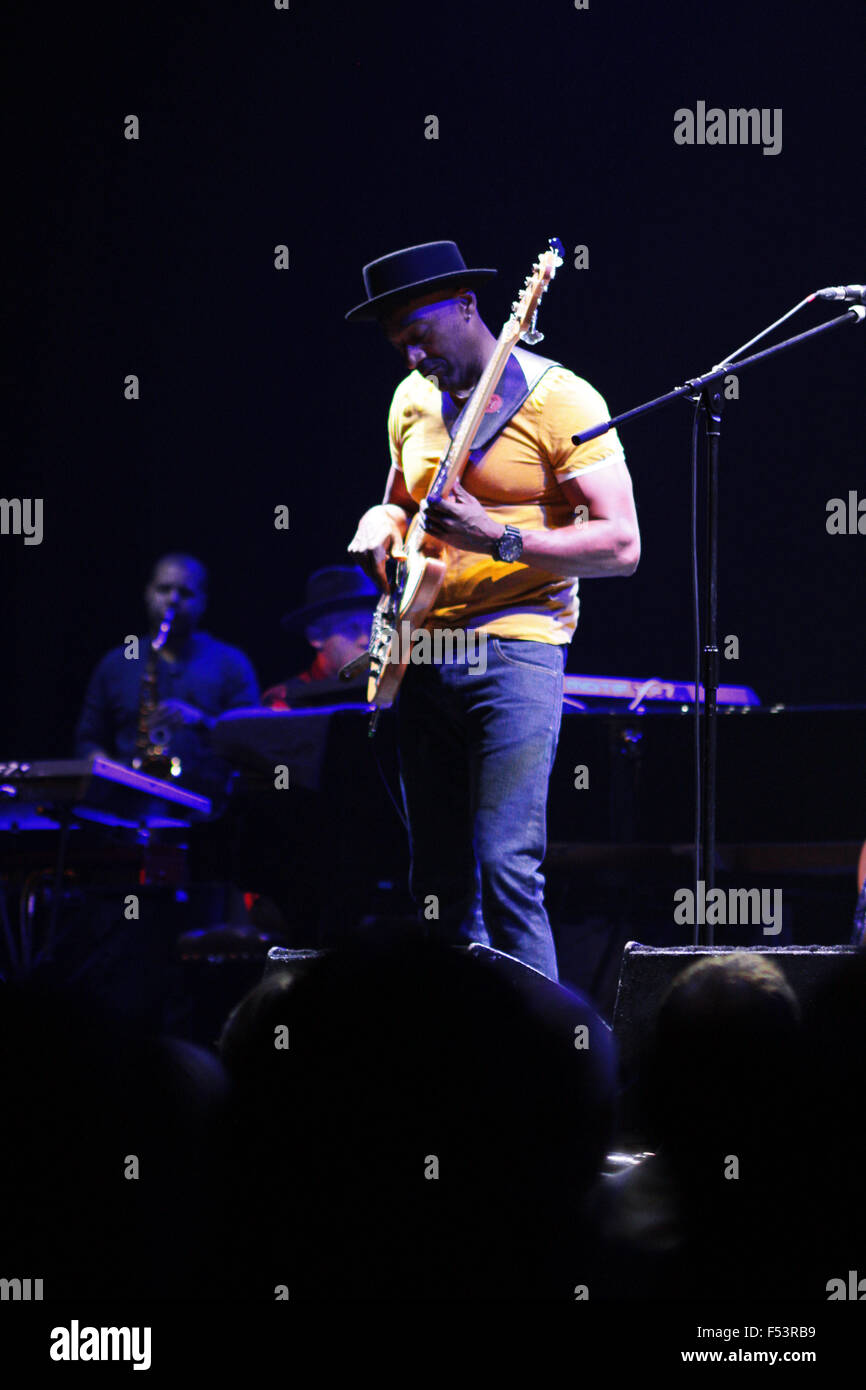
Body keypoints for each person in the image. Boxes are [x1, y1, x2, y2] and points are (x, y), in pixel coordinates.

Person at [346, 240, 640, 980]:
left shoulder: (563, 400)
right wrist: (377, 525)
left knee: (506, 865)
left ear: (468, 306)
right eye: (399, 346)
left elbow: (622, 545)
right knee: (437, 884)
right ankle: (463, 1059)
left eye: (421, 335)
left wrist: (499, 536)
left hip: (517, 644)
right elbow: (400, 501)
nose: (413, 358)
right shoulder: (413, 400)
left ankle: (548, 1063)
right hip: (423, 647)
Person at [75, 553, 259, 797]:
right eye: (164, 589)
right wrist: (109, 770)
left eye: (185, 593)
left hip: (207, 808)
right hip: (127, 803)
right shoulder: (116, 663)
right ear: (147, 593)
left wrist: (202, 721)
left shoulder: (231, 662)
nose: (172, 600)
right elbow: (88, 739)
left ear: (203, 601)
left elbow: (253, 739)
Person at [262, 565, 377, 710]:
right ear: (316, 636)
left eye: (372, 628)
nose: (366, 640)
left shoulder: (392, 691)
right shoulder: (286, 701)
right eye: (351, 628)